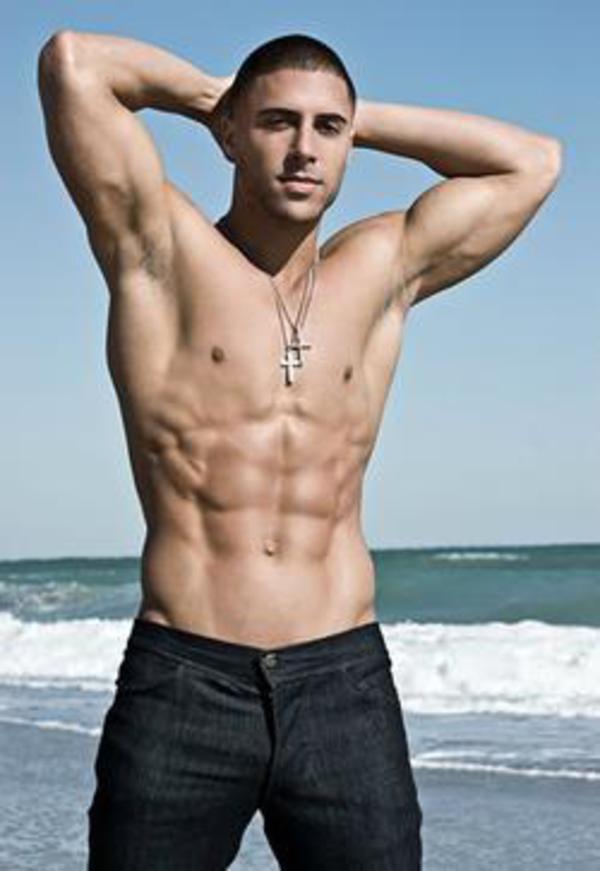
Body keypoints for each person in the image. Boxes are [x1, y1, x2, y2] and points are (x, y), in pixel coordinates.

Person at [37, 28, 561, 870]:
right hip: (185, 681)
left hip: (343, 685)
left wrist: (351, 117)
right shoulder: (160, 251)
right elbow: (75, 62)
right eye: (278, 123)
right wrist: (221, 97)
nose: (304, 149)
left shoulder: (383, 268)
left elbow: (532, 162)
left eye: (327, 129)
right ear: (232, 133)